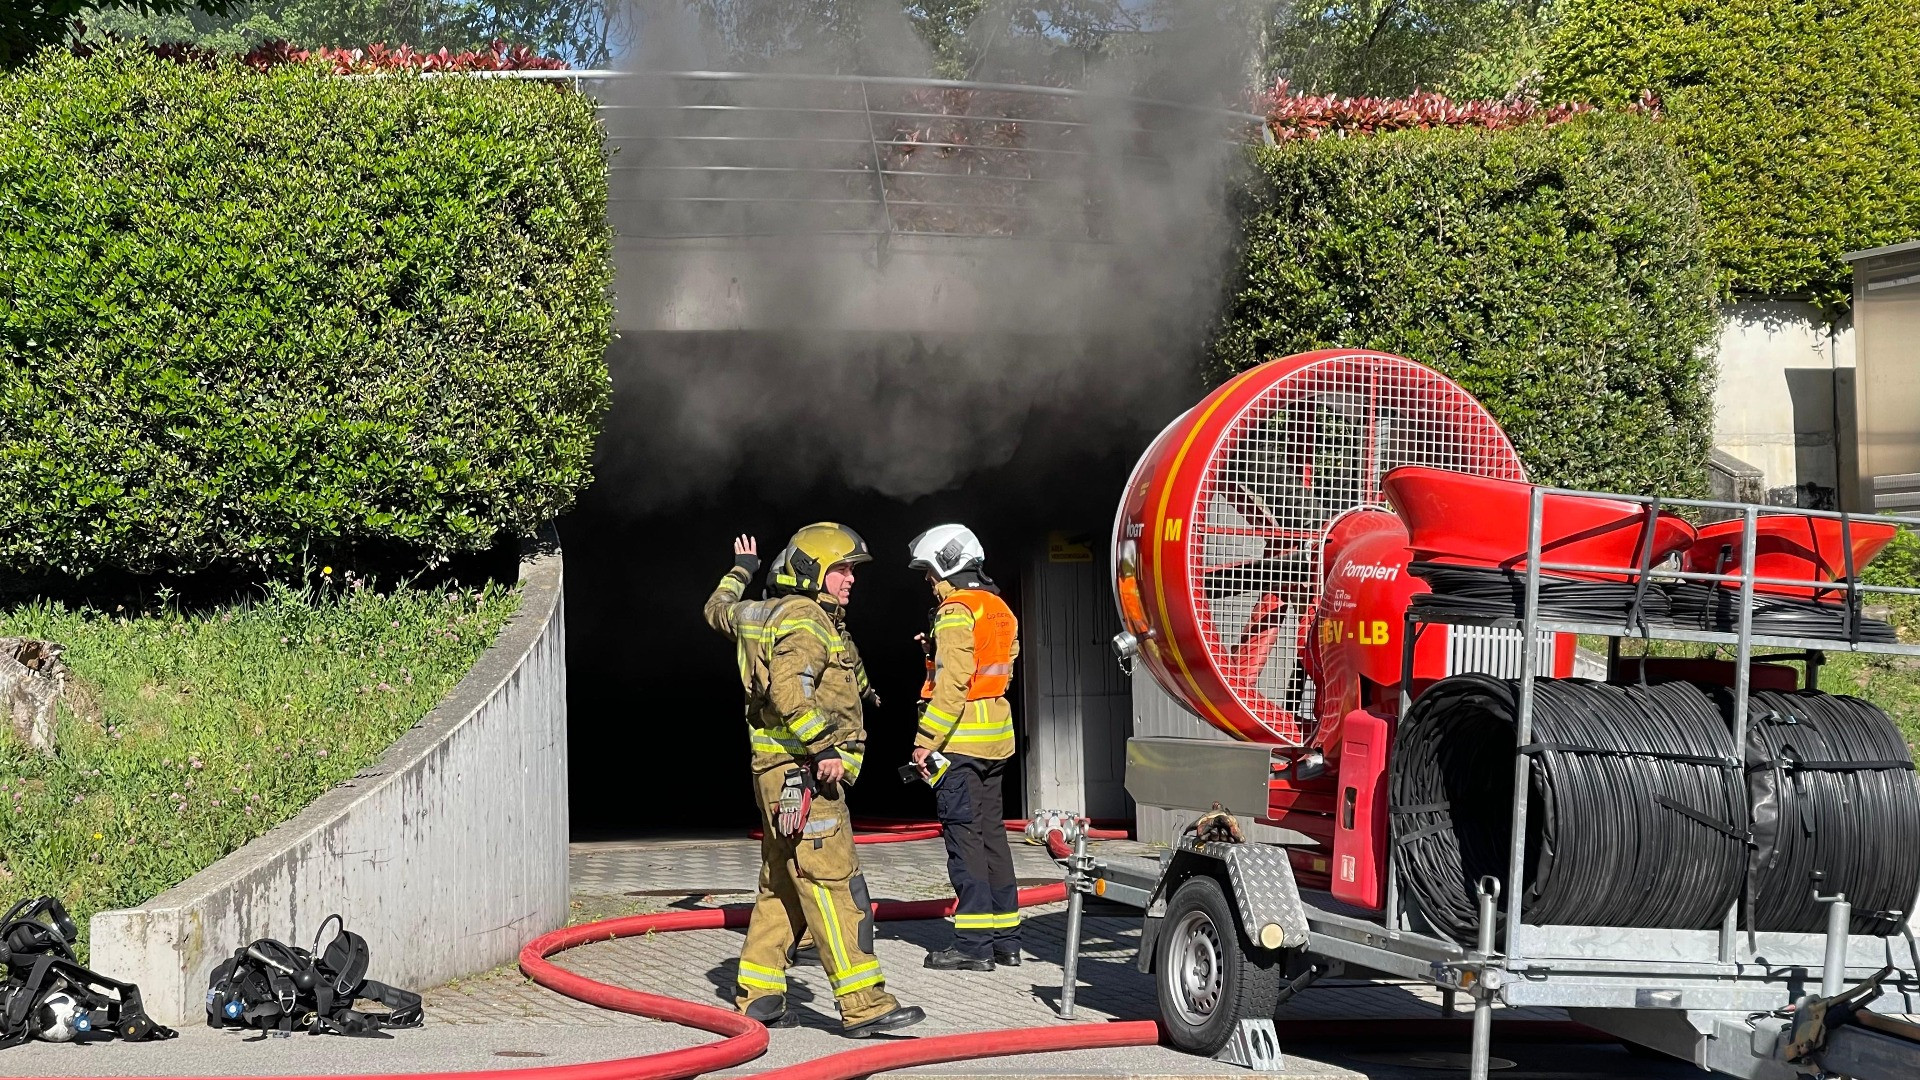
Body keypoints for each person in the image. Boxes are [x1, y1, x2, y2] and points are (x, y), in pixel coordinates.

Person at [704, 524, 924, 1037]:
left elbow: (716, 609)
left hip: (771, 774)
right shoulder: (806, 619)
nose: (851, 580)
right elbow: (790, 689)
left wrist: (741, 571)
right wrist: (824, 747)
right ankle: (864, 1004)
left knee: (781, 884)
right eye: (842, 569)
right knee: (833, 883)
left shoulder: (760, 612)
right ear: (811, 571)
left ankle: (758, 997)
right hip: (806, 776)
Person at [907, 524, 1021, 971]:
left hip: (958, 744)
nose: (931, 585)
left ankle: (973, 946)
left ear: (947, 564)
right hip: (995, 740)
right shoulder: (998, 607)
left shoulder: (955, 610)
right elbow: (997, 668)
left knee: (964, 841)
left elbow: (953, 684)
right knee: (993, 838)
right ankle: (1007, 940)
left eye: (930, 574)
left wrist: (924, 741)